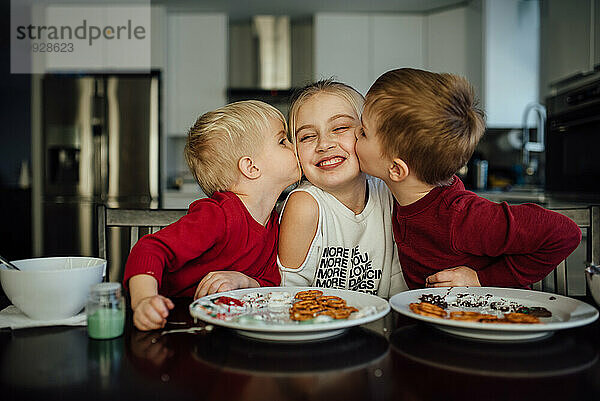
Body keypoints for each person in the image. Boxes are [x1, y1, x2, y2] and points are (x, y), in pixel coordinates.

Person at [355, 68, 582, 289]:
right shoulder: (399, 194)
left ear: (396, 169)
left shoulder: (460, 217)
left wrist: (482, 279)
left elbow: (565, 233)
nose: (355, 133)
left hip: (490, 321)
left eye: (364, 132)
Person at [124, 100, 300, 330]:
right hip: (174, 321)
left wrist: (243, 281)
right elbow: (149, 249)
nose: (294, 145)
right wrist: (145, 300)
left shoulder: (275, 222)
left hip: (220, 326)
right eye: (282, 141)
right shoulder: (219, 215)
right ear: (251, 167)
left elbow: (270, 283)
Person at [278, 80, 408, 298]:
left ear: (367, 134)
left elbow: (399, 287)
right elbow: (287, 293)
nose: (324, 144)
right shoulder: (305, 205)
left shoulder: (388, 192)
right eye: (308, 136)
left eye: (339, 128)